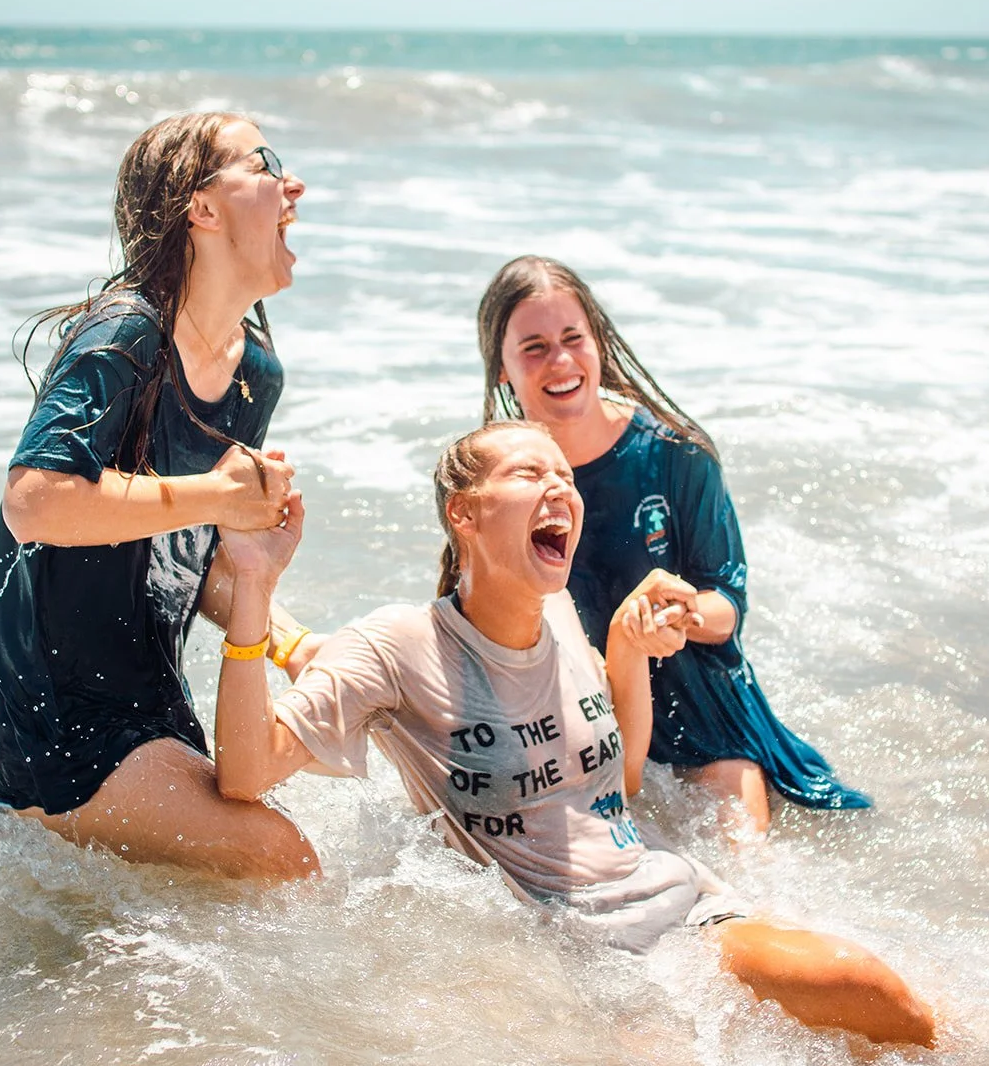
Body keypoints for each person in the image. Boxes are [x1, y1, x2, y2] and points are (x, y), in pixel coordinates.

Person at [211, 422, 934, 1047]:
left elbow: (613, 788)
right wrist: (251, 587)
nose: (559, 485)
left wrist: (625, 651)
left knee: (885, 1002)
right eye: (530, 472)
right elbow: (246, 772)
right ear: (463, 512)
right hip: (578, 951)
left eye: (564, 474)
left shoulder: (558, 614)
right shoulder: (399, 646)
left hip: (677, 900)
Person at [0, 111, 319, 882]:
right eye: (266, 163)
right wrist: (216, 494)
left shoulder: (257, 374)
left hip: (141, 695)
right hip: (37, 713)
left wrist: (293, 641)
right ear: (202, 208)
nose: (294, 186)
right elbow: (38, 499)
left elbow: (185, 560)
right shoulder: (123, 336)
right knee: (281, 858)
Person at [475, 255, 870, 834]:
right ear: (502, 368)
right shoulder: (495, 489)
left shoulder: (676, 455)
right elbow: (478, 623)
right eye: (533, 347)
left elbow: (727, 605)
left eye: (573, 338)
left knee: (746, 879)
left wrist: (678, 614)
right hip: (575, 725)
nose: (559, 361)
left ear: (599, 344)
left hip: (702, 717)